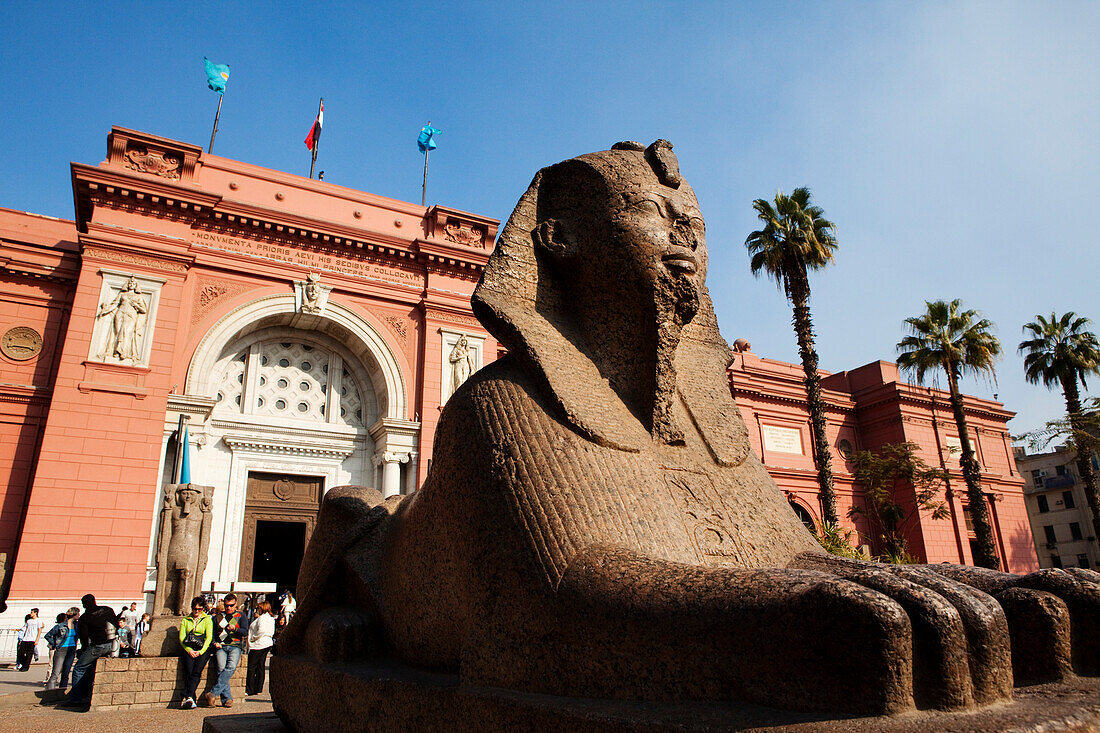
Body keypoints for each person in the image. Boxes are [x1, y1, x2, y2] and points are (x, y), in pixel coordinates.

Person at [61, 594, 117, 708]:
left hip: (97, 646)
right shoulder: (107, 609)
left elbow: (84, 637)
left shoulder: (85, 617)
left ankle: (75, 698)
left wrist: (84, 649)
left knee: (79, 668)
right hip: (112, 644)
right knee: (91, 668)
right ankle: (86, 693)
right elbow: (116, 624)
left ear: (85, 604)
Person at [205, 592, 245, 708]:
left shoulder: (240, 616)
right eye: (227, 605)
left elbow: (244, 631)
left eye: (231, 605)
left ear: (236, 604)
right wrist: (214, 642)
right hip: (221, 646)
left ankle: (213, 693)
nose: (229, 608)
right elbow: (212, 633)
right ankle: (227, 699)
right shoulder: (217, 616)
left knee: (231, 667)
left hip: (235, 645)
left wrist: (235, 629)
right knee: (221, 670)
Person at [178, 596, 213, 710]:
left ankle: (187, 695)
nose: (196, 611)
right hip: (189, 647)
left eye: (199, 609)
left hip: (202, 648)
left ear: (203, 609)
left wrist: (201, 651)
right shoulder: (186, 620)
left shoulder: (207, 619)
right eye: (194, 609)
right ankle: (191, 699)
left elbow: (209, 637)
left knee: (196, 672)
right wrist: (189, 650)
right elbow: (182, 638)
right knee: (189, 672)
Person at [45, 607, 80, 690]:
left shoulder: (76, 625)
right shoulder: (60, 626)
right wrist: (55, 644)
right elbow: (48, 635)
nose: (79, 615)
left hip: (71, 650)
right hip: (61, 649)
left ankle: (62, 692)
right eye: (78, 613)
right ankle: (50, 692)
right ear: (74, 615)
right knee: (55, 673)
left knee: (66, 673)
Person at [245, 601, 275, 695]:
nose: (258, 610)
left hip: (259, 644)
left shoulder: (262, 618)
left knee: (252, 667)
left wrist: (253, 638)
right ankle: (258, 688)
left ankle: (250, 688)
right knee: (260, 666)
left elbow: (261, 630)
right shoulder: (271, 618)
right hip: (267, 643)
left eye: (259, 608)